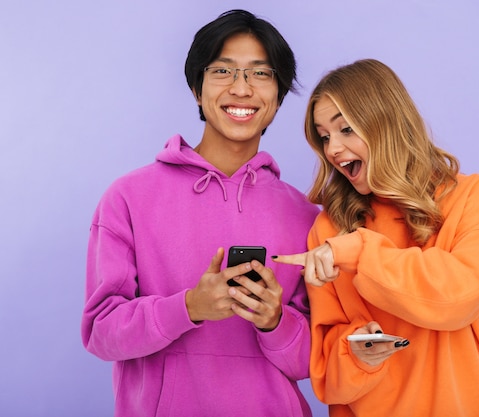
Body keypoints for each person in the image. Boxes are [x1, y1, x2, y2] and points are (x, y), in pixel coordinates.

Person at [81, 10, 319, 417]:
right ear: (196, 87)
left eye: (261, 74)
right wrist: (189, 307)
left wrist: (274, 321)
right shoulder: (128, 197)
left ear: (278, 97)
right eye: (223, 71)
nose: (242, 89)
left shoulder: (305, 215)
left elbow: (312, 362)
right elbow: (101, 332)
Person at [273, 59, 479, 416]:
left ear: (386, 122)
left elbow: (460, 295)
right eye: (324, 137)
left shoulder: (476, 197)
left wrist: (361, 251)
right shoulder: (329, 229)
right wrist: (356, 355)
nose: (333, 150)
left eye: (346, 130)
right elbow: (326, 373)